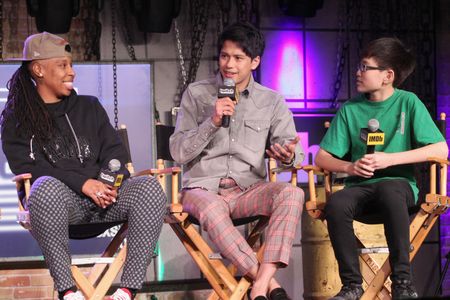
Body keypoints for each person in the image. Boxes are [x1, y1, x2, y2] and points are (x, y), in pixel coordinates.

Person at [1, 32, 166, 300]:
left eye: (71, 64)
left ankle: (127, 291)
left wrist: (107, 184)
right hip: (60, 207)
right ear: (39, 69)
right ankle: (68, 292)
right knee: (43, 186)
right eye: (62, 65)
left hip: (105, 202)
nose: (72, 72)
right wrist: (83, 184)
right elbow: (30, 169)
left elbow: (115, 153)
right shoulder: (16, 119)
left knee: (148, 187)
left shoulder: (89, 106)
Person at [170, 21, 305, 300]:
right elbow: (178, 152)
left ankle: (259, 285)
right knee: (213, 210)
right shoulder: (197, 94)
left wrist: (288, 155)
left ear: (254, 61)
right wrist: (213, 121)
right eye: (224, 56)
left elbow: (293, 152)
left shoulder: (271, 101)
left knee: (291, 194)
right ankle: (269, 287)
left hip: (248, 189)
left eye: (238, 58)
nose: (229, 64)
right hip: (202, 189)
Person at [315, 37, 448, 300]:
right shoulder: (350, 109)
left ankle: (403, 282)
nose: (358, 72)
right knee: (337, 203)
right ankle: (351, 285)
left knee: (390, 189)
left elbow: (440, 150)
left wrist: (390, 159)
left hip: (399, 187)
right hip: (360, 188)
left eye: (365, 67)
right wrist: (351, 167)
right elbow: (322, 157)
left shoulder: (408, 102)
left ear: (388, 75)